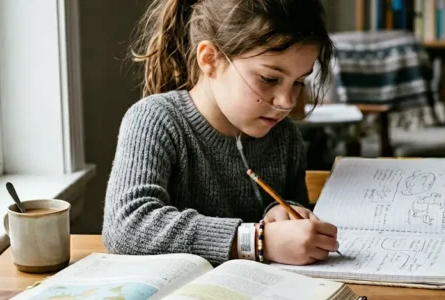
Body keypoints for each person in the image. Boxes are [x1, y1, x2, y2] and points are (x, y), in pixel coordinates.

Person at [102, 0, 339, 267]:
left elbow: (287, 203)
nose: (286, 102)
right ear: (210, 60)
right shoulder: (155, 120)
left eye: (298, 82)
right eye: (269, 79)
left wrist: (281, 214)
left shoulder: (285, 137)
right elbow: (125, 227)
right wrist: (257, 240)